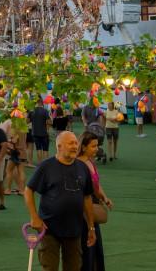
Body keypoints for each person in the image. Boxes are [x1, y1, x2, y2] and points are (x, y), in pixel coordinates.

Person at [24, 131, 96, 271]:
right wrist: (34, 217)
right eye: (71, 143)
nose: (75, 146)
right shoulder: (46, 166)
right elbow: (28, 190)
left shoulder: (82, 168)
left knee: (74, 267)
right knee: (50, 267)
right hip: (49, 230)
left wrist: (91, 227)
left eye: (76, 143)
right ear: (59, 146)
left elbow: (87, 198)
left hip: (74, 230)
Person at [77, 133, 113, 271]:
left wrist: (105, 198)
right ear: (84, 147)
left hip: (93, 203)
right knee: (88, 244)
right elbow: (91, 187)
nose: (96, 149)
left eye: (97, 145)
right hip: (85, 207)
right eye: (93, 146)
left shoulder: (90, 162)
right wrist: (100, 197)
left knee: (94, 245)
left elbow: (97, 184)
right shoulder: (79, 164)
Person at [29, 100, 51, 165]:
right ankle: (46, 164)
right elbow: (49, 122)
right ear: (42, 103)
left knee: (38, 148)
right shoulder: (45, 111)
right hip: (44, 133)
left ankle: (39, 163)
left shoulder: (32, 111)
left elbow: (27, 121)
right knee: (45, 149)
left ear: (36, 103)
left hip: (35, 132)